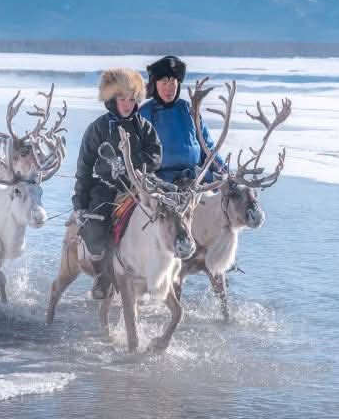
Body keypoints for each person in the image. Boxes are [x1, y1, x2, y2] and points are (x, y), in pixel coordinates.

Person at [72, 68, 162, 299]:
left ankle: (162, 268)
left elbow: (155, 155)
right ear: (112, 99)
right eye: (122, 99)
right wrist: (80, 203)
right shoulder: (98, 128)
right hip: (106, 188)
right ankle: (104, 275)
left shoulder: (143, 126)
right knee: (96, 227)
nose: (127, 104)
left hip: (140, 187)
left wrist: (134, 164)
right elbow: (84, 168)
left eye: (132, 99)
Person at [139, 55, 226, 184]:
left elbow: (207, 146)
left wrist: (223, 170)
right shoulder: (144, 113)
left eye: (173, 82)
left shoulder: (189, 110)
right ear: (155, 85)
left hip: (196, 179)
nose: (169, 88)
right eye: (164, 83)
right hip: (159, 183)